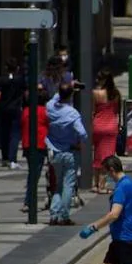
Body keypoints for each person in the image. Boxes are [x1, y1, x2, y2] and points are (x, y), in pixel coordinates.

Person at [46, 83, 86, 226]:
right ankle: (64, 215)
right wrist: (79, 143)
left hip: (54, 151)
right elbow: (82, 133)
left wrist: (67, 88)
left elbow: (55, 98)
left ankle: (54, 214)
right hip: (69, 151)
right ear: (70, 95)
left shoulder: (50, 107)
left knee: (57, 185)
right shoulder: (72, 113)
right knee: (68, 184)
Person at [0, 58, 24, 168]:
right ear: (17, 68)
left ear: (6, 68)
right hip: (16, 109)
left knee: (4, 133)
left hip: (4, 109)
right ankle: (12, 159)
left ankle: (5, 158)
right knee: (15, 134)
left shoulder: (2, 79)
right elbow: (25, 92)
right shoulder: (20, 79)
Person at [90, 70, 121, 194]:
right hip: (111, 127)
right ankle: (102, 186)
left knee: (97, 155)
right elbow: (117, 111)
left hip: (98, 126)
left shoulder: (96, 93)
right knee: (107, 157)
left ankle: (95, 183)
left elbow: (93, 111)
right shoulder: (116, 94)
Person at [20, 91, 49, 214]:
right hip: (40, 145)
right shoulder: (44, 112)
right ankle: (29, 201)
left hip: (28, 145)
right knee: (34, 175)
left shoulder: (26, 111)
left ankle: (29, 201)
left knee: (32, 173)